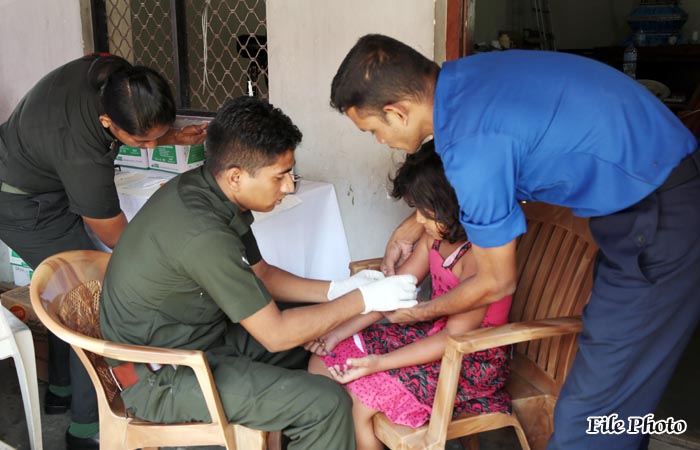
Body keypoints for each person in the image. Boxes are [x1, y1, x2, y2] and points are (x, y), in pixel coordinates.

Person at [330, 34, 700, 450]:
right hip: (646, 193)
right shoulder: (466, 80)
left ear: (397, 112)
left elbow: (495, 282)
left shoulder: (471, 145)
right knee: (620, 396)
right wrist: (415, 223)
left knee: (590, 418)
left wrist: (419, 313)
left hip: (657, 214)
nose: (379, 140)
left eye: (373, 129)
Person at [99, 96, 419, 450]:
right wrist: (363, 299)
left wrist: (339, 288)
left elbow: (262, 274)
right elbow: (276, 335)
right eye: (280, 176)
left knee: (330, 343)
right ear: (236, 176)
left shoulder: (209, 191)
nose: (289, 186)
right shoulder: (202, 233)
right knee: (324, 404)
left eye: (290, 173)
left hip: (199, 340)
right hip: (159, 375)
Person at [0, 53, 207, 449]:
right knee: (91, 299)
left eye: (155, 135)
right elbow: (116, 237)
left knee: (62, 290)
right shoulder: (81, 149)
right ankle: (87, 426)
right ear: (107, 125)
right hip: (20, 203)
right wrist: (156, 263)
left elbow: (136, 128)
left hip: (38, 177)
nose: (150, 145)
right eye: (142, 142)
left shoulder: (118, 80)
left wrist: (172, 137)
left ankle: (60, 391)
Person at [306, 141, 512, 450]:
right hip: (431, 334)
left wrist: (380, 363)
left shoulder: (480, 257)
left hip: (469, 358)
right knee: (322, 361)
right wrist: (337, 333)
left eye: (424, 212)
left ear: (452, 205)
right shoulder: (434, 237)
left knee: (363, 403)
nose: (417, 222)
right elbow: (395, 292)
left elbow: (453, 340)